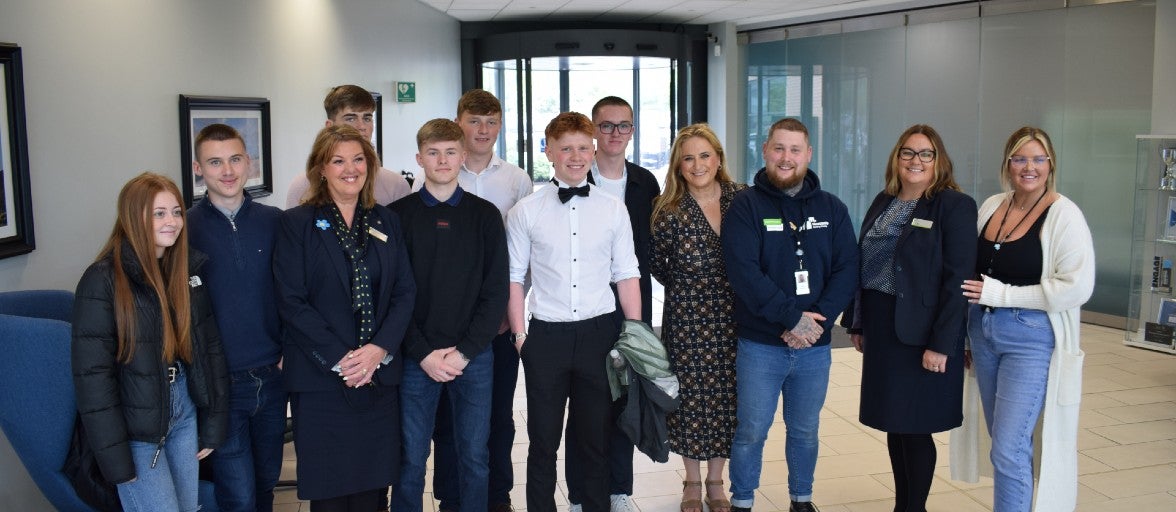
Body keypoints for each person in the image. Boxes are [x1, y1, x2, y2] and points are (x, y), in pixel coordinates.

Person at [273, 124, 415, 511]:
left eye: (358, 159)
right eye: (338, 161)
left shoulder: (387, 221)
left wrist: (377, 351)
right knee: (331, 494)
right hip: (321, 381)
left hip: (378, 378)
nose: (349, 168)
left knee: (373, 491)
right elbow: (292, 301)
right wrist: (343, 359)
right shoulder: (297, 224)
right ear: (321, 168)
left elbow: (405, 293)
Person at [505, 112, 641, 512]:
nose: (576, 156)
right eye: (566, 148)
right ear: (549, 151)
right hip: (546, 337)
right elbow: (514, 279)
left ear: (593, 149)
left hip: (601, 334)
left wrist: (632, 335)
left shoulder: (613, 209)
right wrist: (519, 336)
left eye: (583, 147)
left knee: (595, 439)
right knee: (543, 442)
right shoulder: (525, 211)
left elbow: (627, 275)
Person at [721, 118, 858, 512]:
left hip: (814, 347)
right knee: (751, 430)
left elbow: (847, 268)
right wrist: (791, 319)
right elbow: (744, 272)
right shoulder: (745, 206)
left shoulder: (832, 207)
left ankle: (801, 499)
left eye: (795, 150)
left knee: (805, 430)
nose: (786, 158)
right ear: (765, 151)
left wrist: (817, 321)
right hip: (761, 344)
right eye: (779, 148)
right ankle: (743, 500)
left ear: (808, 155)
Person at [955, 126, 1094, 512]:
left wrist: (1004, 295)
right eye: (1020, 158)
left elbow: (1076, 287)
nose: (1028, 167)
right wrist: (966, 336)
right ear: (1007, 164)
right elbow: (971, 273)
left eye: (1038, 159)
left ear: (1051, 165)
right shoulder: (991, 206)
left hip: (1029, 337)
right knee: (1000, 441)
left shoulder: (1064, 214)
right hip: (982, 333)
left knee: (1009, 447)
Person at [72, 172, 229, 511]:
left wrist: (213, 423)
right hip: (136, 430)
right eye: (159, 213)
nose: (172, 221)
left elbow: (208, 351)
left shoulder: (182, 270)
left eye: (176, 212)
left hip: (183, 410)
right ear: (133, 216)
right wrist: (114, 459)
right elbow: (93, 379)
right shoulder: (102, 281)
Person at [841, 125, 976, 512]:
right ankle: (904, 505)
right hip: (884, 329)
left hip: (923, 332)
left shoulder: (952, 205)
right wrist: (859, 321)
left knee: (916, 427)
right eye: (907, 153)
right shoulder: (885, 200)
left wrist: (943, 343)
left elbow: (959, 280)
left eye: (925, 154)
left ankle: (914, 508)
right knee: (895, 423)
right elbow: (863, 263)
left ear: (939, 161)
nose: (915, 161)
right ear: (896, 158)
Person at [388, 118, 509, 512]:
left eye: (450, 152)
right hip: (413, 358)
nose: (442, 160)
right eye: (434, 153)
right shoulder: (396, 217)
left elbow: (495, 294)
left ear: (462, 156)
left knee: (474, 457)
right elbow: (391, 295)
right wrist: (422, 353)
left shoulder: (486, 216)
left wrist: (463, 353)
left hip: (473, 357)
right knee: (410, 459)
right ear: (419, 158)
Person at [429, 89, 533, 512]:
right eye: (475, 121)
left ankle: (497, 495)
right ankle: (452, 497)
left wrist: (513, 313)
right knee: (448, 420)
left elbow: (523, 257)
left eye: (492, 121)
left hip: (498, 324)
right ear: (459, 122)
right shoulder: (433, 176)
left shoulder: (516, 179)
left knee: (498, 418)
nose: (484, 130)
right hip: (446, 327)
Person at [566, 95, 661, 512]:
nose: (615, 134)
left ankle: (619, 490)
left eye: (623, 126)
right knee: (584, 407)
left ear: (632, 131)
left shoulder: (645, 183)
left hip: (631, 309)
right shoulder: (574, 179)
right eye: (606, 126)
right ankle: (580, 495)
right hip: (583, 309)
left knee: (625, 401)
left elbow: (654, 252)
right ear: (592, 129)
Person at [187, 123, 287, 512]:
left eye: (234, 159)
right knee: (238, 496)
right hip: (220, 384)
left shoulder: (276, 222)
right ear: (199, 168)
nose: (226, 171)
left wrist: (289, 350)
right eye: (215, 162)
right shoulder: (184, 230)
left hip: (274, 376)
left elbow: (296, 295)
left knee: (266, 484)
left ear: (249, 163)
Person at [650, 123, 745, 512]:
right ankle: (691, 480)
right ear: (678, 165)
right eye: (688, 157)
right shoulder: (667, 208)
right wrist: (691, 289)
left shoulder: (744, 199)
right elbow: (657, 264)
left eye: (704, 155)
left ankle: (716, 481)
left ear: (718, 159)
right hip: (687, 317)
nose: (697, 164)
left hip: (737, 314)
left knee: (728, 398)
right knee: (689, 400)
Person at [285, 84, 411, 208]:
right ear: (330, 126)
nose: (361, 126)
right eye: (351, 119)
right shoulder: (302, 187)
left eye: (367, 118)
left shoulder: (396, 186)